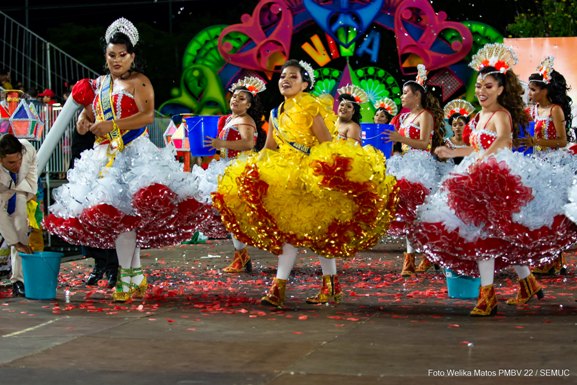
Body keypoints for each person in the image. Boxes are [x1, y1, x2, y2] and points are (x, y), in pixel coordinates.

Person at [44, 18, 209, 302]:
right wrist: (85, 121)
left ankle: (127, 277)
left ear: (132, 56)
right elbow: (92, 116)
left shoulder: (139, 82)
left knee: (126, 220)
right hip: (104, 158)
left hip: (134, 156)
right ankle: (134, 276)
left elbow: (146, 117)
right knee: (122, 220)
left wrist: (114, 125)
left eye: (123, 54)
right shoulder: (100, 85)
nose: (117, 60)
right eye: (112, 55)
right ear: (104, 56)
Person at [212, 59, 397, 308]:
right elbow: (269, 147)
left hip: (310, 175)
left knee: (319, 234)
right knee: (294, 233)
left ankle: (304, 286)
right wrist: (255, 170)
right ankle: (305, 286)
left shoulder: (310, 106)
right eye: (282, 76)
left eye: (293, 77)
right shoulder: (277, 111)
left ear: (306, 84)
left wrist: (323, 173)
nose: (285, 80)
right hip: (284, 176)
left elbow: (325, 143)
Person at [412, 43, 577, 316]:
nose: (481, 91)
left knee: (484, 236)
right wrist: (451, 151)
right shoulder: (478, 116)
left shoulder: (502, 114)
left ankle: (488, 296)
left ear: (501, 89)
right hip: (475, 175)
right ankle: (527, 283)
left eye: (488, 86)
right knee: (494, 236)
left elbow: (503, 141)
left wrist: (478, 159)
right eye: (479, 86)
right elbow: (477, 149)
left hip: (494, 180)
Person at [196, 76, 267, 273]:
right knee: (230, 216)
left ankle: (242, 257)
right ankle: (241, 256)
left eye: (242, 98)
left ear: (249, 104)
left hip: (239, 170)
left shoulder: (245, 120)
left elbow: (248, 143)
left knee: (235, 216)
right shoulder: (229, 119)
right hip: (225, 168)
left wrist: (222, 144)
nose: (236, 100)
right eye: (234, 96)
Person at [382, 64, 446, 276]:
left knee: (421, 213)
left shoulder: (425, 116)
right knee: (407, 213)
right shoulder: (405, 117)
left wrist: (401, 139)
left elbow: (425, 144)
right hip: (406, 163)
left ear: (417, 95)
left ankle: (428, 255)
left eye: (405, 93)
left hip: (421, 166)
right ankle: (409, 260)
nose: (402, 96)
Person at [520, 56, 573, 275]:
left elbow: (562, 141)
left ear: (545, 90)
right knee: (535, 212)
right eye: (529, 90)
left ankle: (554, 260)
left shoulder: (555, 110)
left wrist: (536, 142)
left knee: (552, 213)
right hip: (533, 166)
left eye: (533, 90)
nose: (529, 94)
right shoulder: (529, 112)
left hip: (553, 166)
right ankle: (541, 258)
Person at [72, 108, 119, 288]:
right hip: (90, 182)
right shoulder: (83, 128)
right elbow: (77, 156)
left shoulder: (114, 125)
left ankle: (113, 269)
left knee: (112, 225)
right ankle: (100, 265)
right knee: (92, 226)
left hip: (112, 181)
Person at [0, 134, 37, 297]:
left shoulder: (28, 149)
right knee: (13, 238)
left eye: (19, 160)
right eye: (11, 163)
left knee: (21, 229)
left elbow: (31, 176)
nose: (17, 165)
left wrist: (28, 197)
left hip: (20, 190)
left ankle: (19, 281)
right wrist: (13, 241)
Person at [443, 99, 476, 165]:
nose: (457, 127)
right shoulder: (447, 143)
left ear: (466, 125)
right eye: (454, 125)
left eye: (460, 124)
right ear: (452, 127)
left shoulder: (472, 142)